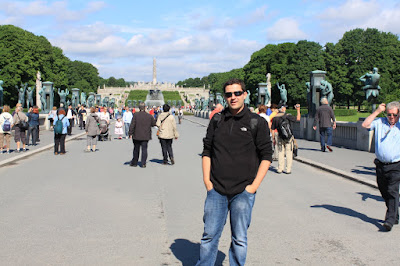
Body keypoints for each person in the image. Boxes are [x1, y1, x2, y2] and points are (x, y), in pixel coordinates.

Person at [196, 78, 272, 265]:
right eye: (229, 94)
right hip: (217, 190)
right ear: (225, 97)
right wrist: (207, 182)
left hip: (243, 191)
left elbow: (266, 156)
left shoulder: (256, 122)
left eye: (237, 93)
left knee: (239, 239)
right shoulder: (217, 120)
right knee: (209, 236)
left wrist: (253, 187)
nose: (233, 97)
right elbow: (207, 151)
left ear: (244, 95)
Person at [362, 102, 400, 231]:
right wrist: (377, 111)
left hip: (396, 165)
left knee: (392, 191)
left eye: (394, 114)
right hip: (381, 165)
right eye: (389, 114)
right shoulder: (379, 122)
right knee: (384, 191)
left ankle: (389, 220)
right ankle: (395, 214)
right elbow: (365, 124)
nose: (391, 117)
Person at [271, 103, 301, 174]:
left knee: (280, 152)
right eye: (285, 107)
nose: (285, 109)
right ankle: (288, 169)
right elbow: (298, 119)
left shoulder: (275, 117)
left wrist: (273, 139)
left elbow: (272, 129)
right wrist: (298, 110)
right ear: (282, 108)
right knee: (289, 152)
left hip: (280, 136)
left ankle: (280, 168)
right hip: (289, 137)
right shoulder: (287, 116)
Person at [128, 102, 156, 168]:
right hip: (146, 135)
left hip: (136, 135)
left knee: (136, 149)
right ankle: (143, 163)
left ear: (139, 108)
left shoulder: (135, 115)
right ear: (145, 107)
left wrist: (130, 133)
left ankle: (134, 162)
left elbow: (132, 125)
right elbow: (153, 124)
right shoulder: (149, 116)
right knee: (144, 149)